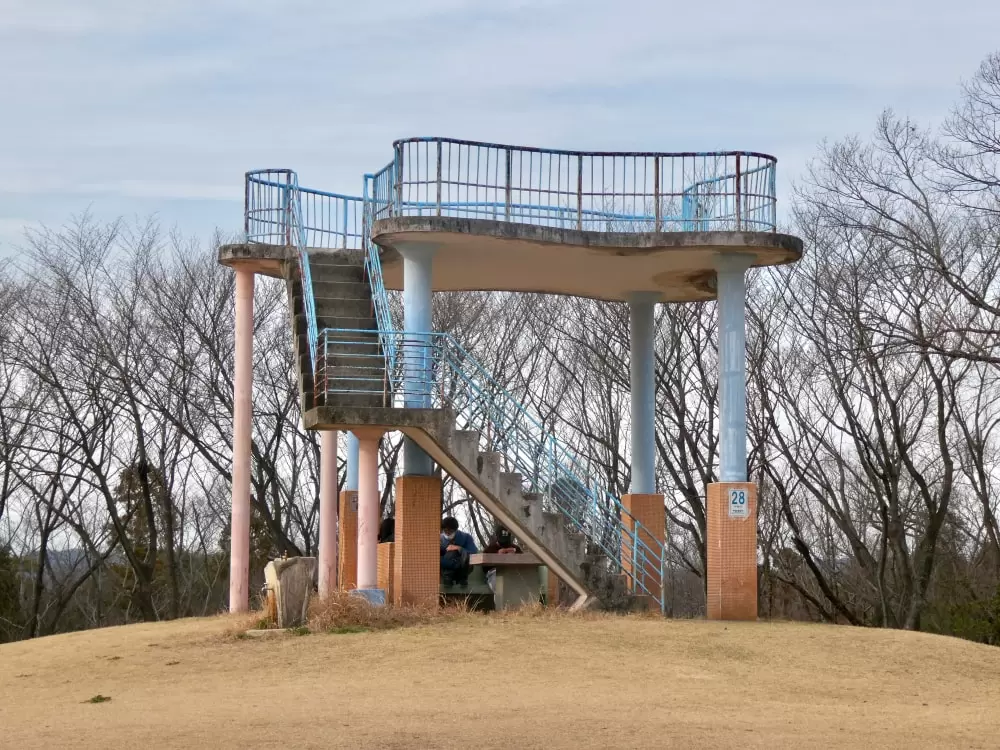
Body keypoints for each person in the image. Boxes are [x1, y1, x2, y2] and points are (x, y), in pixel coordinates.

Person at [440, 516, 478, 586]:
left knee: (458, 553)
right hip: (445, 569)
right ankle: (448, 579)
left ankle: (461, 579)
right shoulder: (440, 539)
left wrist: (459, 548)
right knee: (449, 554)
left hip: (462, 569)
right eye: (445, 531)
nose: (447, 533)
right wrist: (454, 564)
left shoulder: (466, 537)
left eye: (450, 531)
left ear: (456, 530)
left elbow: (474, 553)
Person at [483, 526, 522, 592]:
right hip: (495, 573)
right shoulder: (490, 549)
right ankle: (502, 601)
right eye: (502, 539)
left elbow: (524, 562)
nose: (504, 543)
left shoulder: (516, 548)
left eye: (506, 540)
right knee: (499, 585)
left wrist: (515, 557)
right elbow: (484, 568)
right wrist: (497, 556)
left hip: (513, 573)